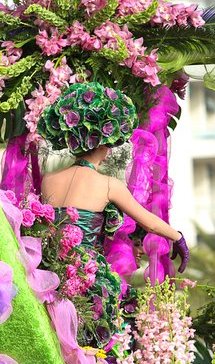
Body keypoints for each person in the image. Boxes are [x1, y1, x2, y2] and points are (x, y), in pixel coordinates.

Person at [37, 82, 189, 349]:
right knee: (93, 347)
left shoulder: (49, 179)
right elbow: (147, 220)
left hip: (49, 273)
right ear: (106, 143)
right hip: (87, 276)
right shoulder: (108, 185)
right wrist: (178, 238)